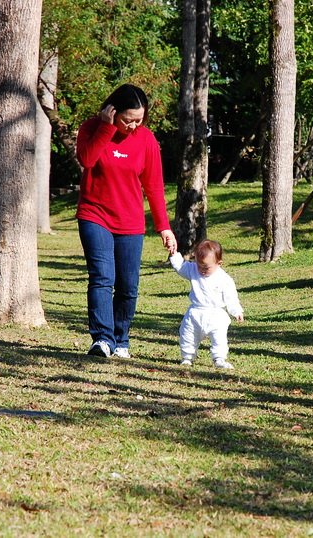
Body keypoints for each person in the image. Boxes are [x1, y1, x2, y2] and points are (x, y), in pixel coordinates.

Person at [76, 84, 176, 358]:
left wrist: (164, 226)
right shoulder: (92, 128)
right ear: (112, 111)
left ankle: (121, 340)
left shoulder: (146, 140)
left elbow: (154, 186)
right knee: (102, 278)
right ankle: (102, 340)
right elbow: (87, 158)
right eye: (127, 119)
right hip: (94, 215)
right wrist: (107, 127)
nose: (133, 125)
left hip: (130, 222)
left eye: (138, 120)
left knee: (128, 286)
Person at [169, 240, 244, 369]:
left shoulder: (224, 279)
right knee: (187, 334)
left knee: (219, 337)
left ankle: (219, 358)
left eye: (206, 267)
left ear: (219, 263)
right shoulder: (193, 270)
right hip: (195, 312)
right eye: (199, 265)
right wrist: (174, 255)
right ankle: (187, 357)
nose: (202, 270)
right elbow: (181, 267)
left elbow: (231, 297)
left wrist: (236, 311)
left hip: (216, 313)